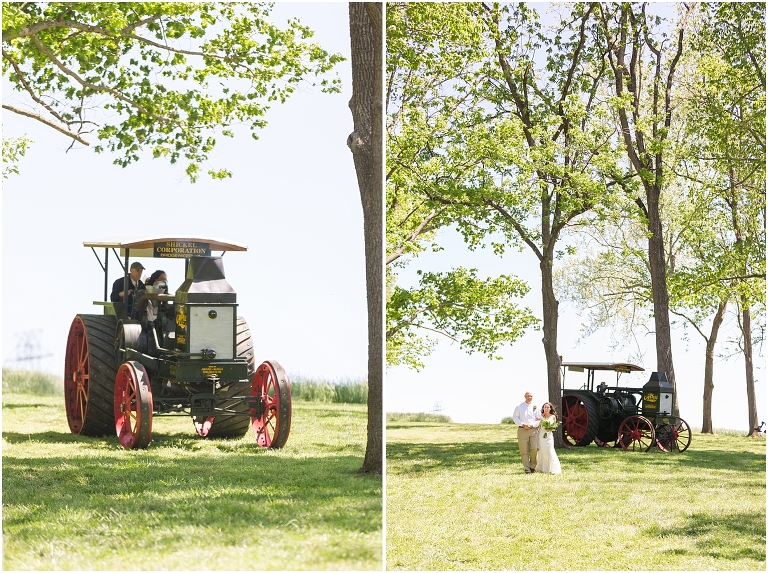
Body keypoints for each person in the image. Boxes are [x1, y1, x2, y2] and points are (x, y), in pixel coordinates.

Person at [512, 391, 540, 474]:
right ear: (525, 396)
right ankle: (527, 469)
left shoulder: (535, 407)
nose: (529, 397)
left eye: (531, 396)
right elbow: (515, 417)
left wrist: (532, 425)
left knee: (535, 448)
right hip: (522, 430)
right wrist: (522, 424)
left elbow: (539, 419)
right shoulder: (519, 406)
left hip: (533, 430)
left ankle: (532, 466)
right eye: (528, 396)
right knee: (524, 450)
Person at [535, 402, 562, 475]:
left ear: (550, 408)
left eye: (547, 407)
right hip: (541, 435)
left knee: (549, 450)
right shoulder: (541, 416)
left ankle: (552, 468)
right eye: (545, 407)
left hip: (548, 436)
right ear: (543, 408)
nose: (546, 409)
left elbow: (554, 426)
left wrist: (549, 428)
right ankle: (542, 468)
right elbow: (537, 425)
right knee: (541, 450)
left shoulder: (553, 416)